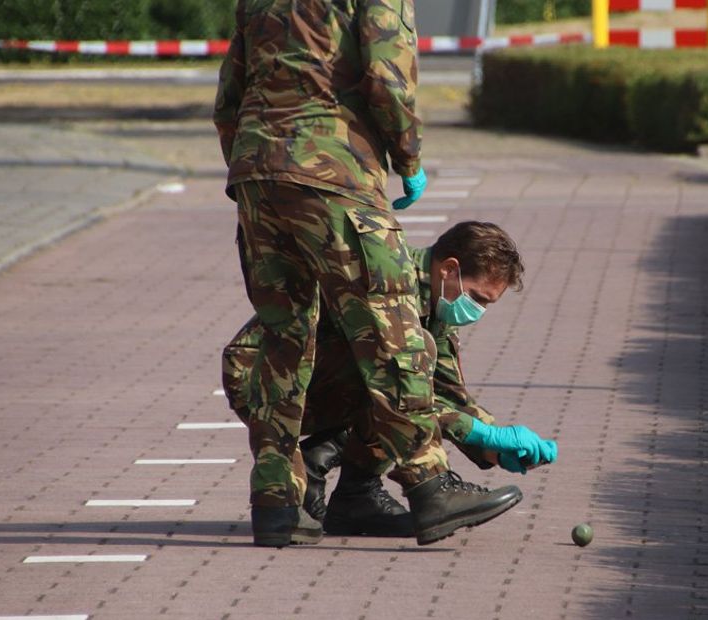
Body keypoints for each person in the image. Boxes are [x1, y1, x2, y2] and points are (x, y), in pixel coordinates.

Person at [214, 0, 521, 548]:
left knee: (285, 341)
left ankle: (277, 502)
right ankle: (431, 486)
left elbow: (229, 96)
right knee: (392, 335)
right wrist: (407, 158)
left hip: (257, 175)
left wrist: (259, 165)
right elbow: (387, 75)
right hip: (336, 171)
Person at [222, 222, 559, 538]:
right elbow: (398, 385)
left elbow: (447, 395)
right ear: (449, 269)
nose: (478, 310)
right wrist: (481, 433)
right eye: (478, 297)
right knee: (399, 372)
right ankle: (322, 476)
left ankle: (354, 497)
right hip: (263, 378)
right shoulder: (390, 284)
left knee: (409, 370)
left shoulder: (435, 302)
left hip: (316, 377)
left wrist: (494, 449)